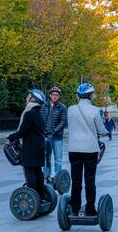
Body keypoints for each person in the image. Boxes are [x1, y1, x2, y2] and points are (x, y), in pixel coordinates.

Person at [67, 83, 108, 217]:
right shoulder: (95, 110)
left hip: (74, 148)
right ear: (90, 95)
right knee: (90, 180)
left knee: (76, 180)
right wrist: (105, 132)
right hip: (90, 149)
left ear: (78, 96)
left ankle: (74, 208)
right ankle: (90, 208)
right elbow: (101, 130)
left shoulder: (70, 109)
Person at [8, 90, 48, 207]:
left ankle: (33, 200)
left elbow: (22, 131)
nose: (26, 98)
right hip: (40, 146)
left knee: (30, 171)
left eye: (28, 96)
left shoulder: (29, 113)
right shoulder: (39, 112)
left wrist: (10, 137)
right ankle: (41, 198)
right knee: (38, 172)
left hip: (31, 147)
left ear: (32, 99)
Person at [41, 86, 67, 179]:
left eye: (57, 95)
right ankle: (46, 176)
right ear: (50, 95)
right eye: (53, 94)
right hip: (45, 136)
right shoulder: (44, 106)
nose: (55, 96)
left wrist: (54, 130)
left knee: (58, 159)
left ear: (59, 96)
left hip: (57, 137)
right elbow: (40, 119)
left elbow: (63, 122)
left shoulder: (62, 107)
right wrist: (42, 130)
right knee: (46, 158)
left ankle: (57, 178)